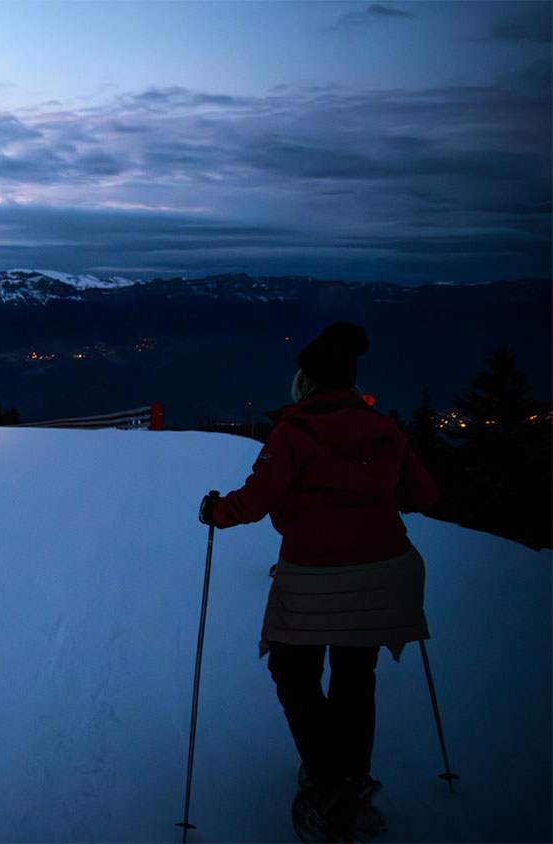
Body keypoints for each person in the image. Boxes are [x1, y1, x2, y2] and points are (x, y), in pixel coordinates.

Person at [198, 322, 438, 839]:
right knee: (356, 672)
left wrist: (216, 513)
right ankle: (350, 773)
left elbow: (256, 501)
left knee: (294, 669)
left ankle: (328, 782)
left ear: (304, 381)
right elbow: (424, 495)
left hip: (313, 573)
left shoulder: (296, 431)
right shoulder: (384, 428)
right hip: (385, 569)